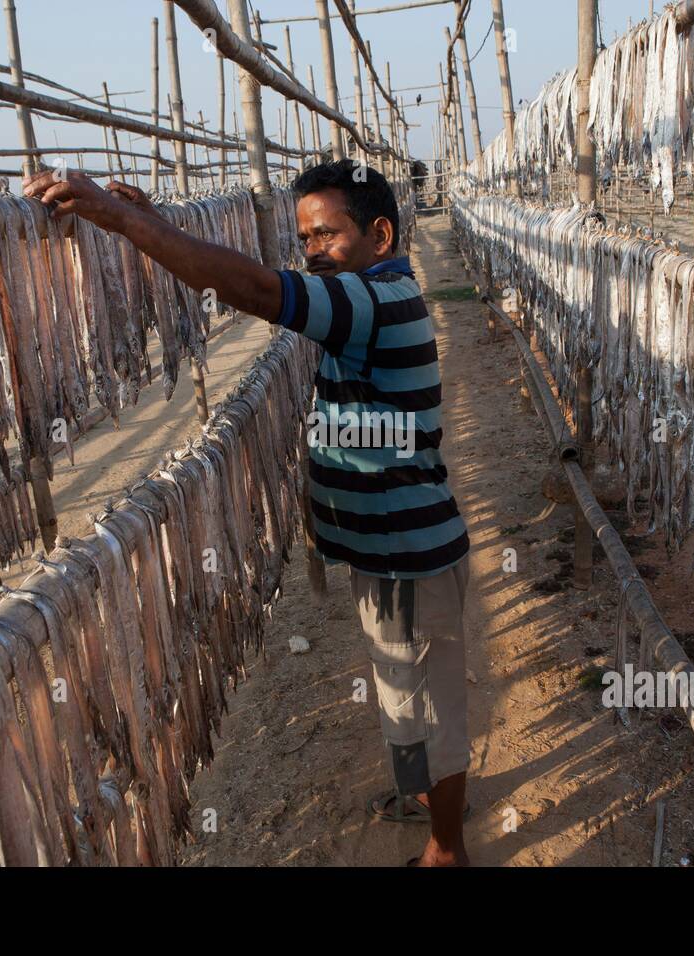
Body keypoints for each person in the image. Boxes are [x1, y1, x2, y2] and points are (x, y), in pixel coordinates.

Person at [24, 159, 472, 867]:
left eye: (327, 234)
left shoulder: (374, 301)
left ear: (380, 234)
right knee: (400, 688)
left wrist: (130, 224)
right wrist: (162, 227)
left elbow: (261, 289)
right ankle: (423, 794)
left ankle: (448, 847)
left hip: (409, 559)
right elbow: (269, 278)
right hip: (387, 554)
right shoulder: (371, 293)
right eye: (305, 239)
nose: (313, 251)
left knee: (423, 703)